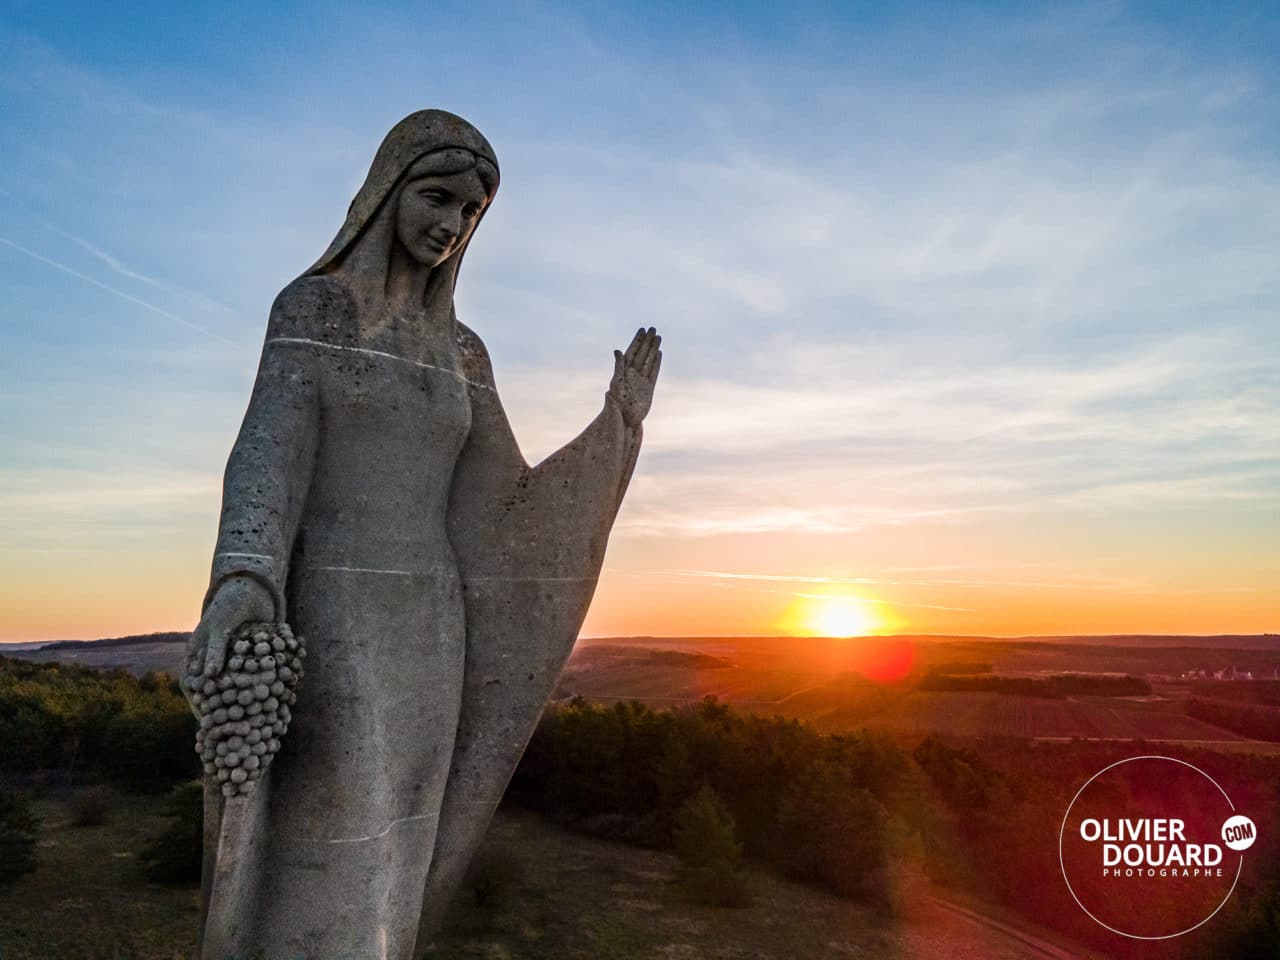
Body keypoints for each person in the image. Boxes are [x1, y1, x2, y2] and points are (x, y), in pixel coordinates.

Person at [185, 109, 661, 959]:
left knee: (404, 825)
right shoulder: (315, 310)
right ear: (386, 191)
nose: (451, 224)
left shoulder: (462, 352)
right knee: (329, 816)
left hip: (433, 633)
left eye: (471, 213)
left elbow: (509, 507)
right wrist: (245, 581)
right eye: (437, 197)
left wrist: (614, 430)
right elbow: (266, 452)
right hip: (333, 617)